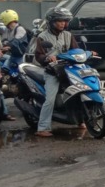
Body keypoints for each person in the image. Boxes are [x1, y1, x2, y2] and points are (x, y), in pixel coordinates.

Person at [33, 7, 79, 137]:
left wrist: (87, 53)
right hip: (52, 71)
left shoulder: (68, 35)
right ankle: (42, 128)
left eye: (65, 21)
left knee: (78, 93)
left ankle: (81, 120)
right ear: (51, 21)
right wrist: (47, 58)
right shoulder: (42, 37)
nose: (62, 23)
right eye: (59, 21)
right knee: (50, 99)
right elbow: (38, 56)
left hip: (68, 70)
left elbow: (76, 50)